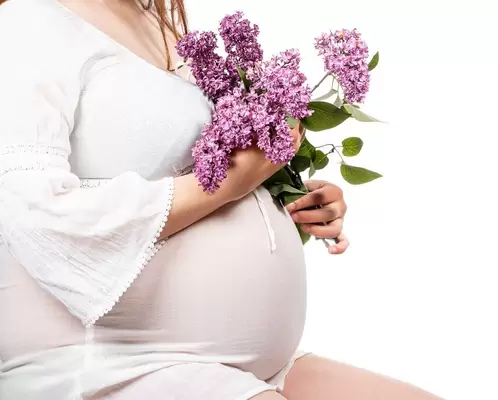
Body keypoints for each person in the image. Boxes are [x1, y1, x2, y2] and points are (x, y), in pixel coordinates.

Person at [0, 0, 441, 399]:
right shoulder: (28, 20)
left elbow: (171, 165)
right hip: (115, 365)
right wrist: (229, 184)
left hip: (258, 364)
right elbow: (31, 215)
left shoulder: (159, 24)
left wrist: (278, 194)